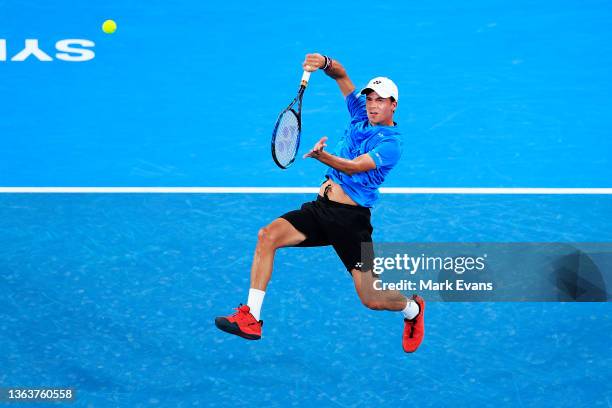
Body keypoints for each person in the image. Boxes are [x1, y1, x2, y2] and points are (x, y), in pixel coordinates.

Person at [215, 53, 425, 353]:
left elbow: (354, 167)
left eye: (381, 100)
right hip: (320, 209)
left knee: (372, 298)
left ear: (394, 104)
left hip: (351, 222)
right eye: (370, 99)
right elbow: (341, 75)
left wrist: (322, 157)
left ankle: (412, 309)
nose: (373, 105)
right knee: (267, 236)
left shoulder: (391, 143)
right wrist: (324, 62)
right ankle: (252, 317)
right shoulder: (358, 115)